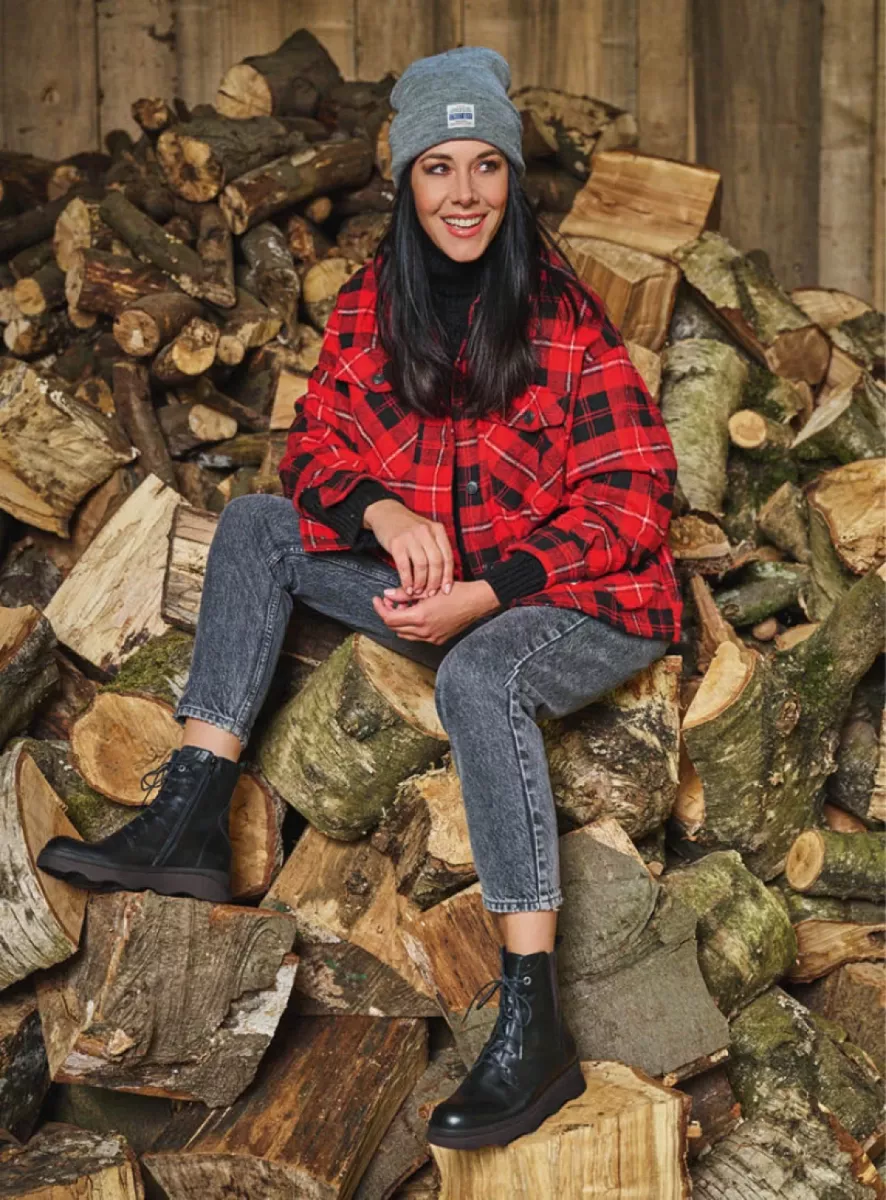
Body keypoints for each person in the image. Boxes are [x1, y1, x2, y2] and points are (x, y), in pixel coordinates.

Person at [37, 46, 682, 1150]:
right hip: (440, 577)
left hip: (579, 595)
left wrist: (485, 592)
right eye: (440, 167)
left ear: (512, 179)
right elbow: (316, 454)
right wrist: (383, 515)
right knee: (256, 525)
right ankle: (190, 815)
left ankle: (535, 1030)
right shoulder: (369, 306)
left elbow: (632, 502)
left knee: (481, 675)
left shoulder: (564, 317)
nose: (465, 193)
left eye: (487, 165)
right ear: (405, 180)